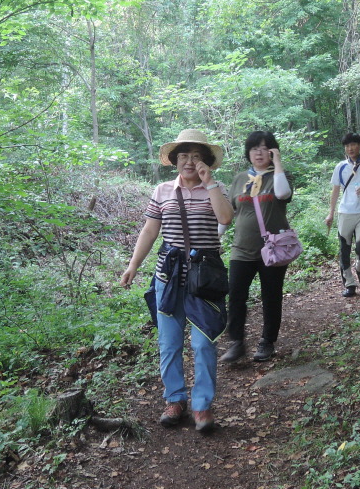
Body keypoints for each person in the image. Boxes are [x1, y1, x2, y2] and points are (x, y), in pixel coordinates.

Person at [119, 128, 233, 434]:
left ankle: (202, 405)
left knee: (203, 343)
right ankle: (174, 399)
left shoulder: (216, 188)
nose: (189, 161)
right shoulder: (162, 191)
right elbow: (150, 230)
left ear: (205, 161)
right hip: (168, 278)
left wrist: (210, 183)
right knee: (169, 344)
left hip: (205, 280)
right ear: (175, 160)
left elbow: (225, 219)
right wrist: (133, 266)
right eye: (183, 155)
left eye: (196, 156)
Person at [220, 131, 294, 364]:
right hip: (241, 248)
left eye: (264, 148)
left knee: (271, 296)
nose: (259, 153)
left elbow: (283, 193)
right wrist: (215, 238)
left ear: (272, 151)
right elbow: (228, 213)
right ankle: (236, 342)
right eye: (254, 148)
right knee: (236, 294)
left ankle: (267, 341)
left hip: (273, 248)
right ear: (248, 153)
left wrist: (278, 163)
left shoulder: (280, 176)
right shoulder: (240, 179)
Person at [325, 133, 360, 297]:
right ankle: (349, 284)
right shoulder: (340, 167)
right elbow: (335, 191)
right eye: (347, 146)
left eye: (353, 144)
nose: (350, 148)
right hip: (345, 212)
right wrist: (330, 214)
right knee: (344, 249)